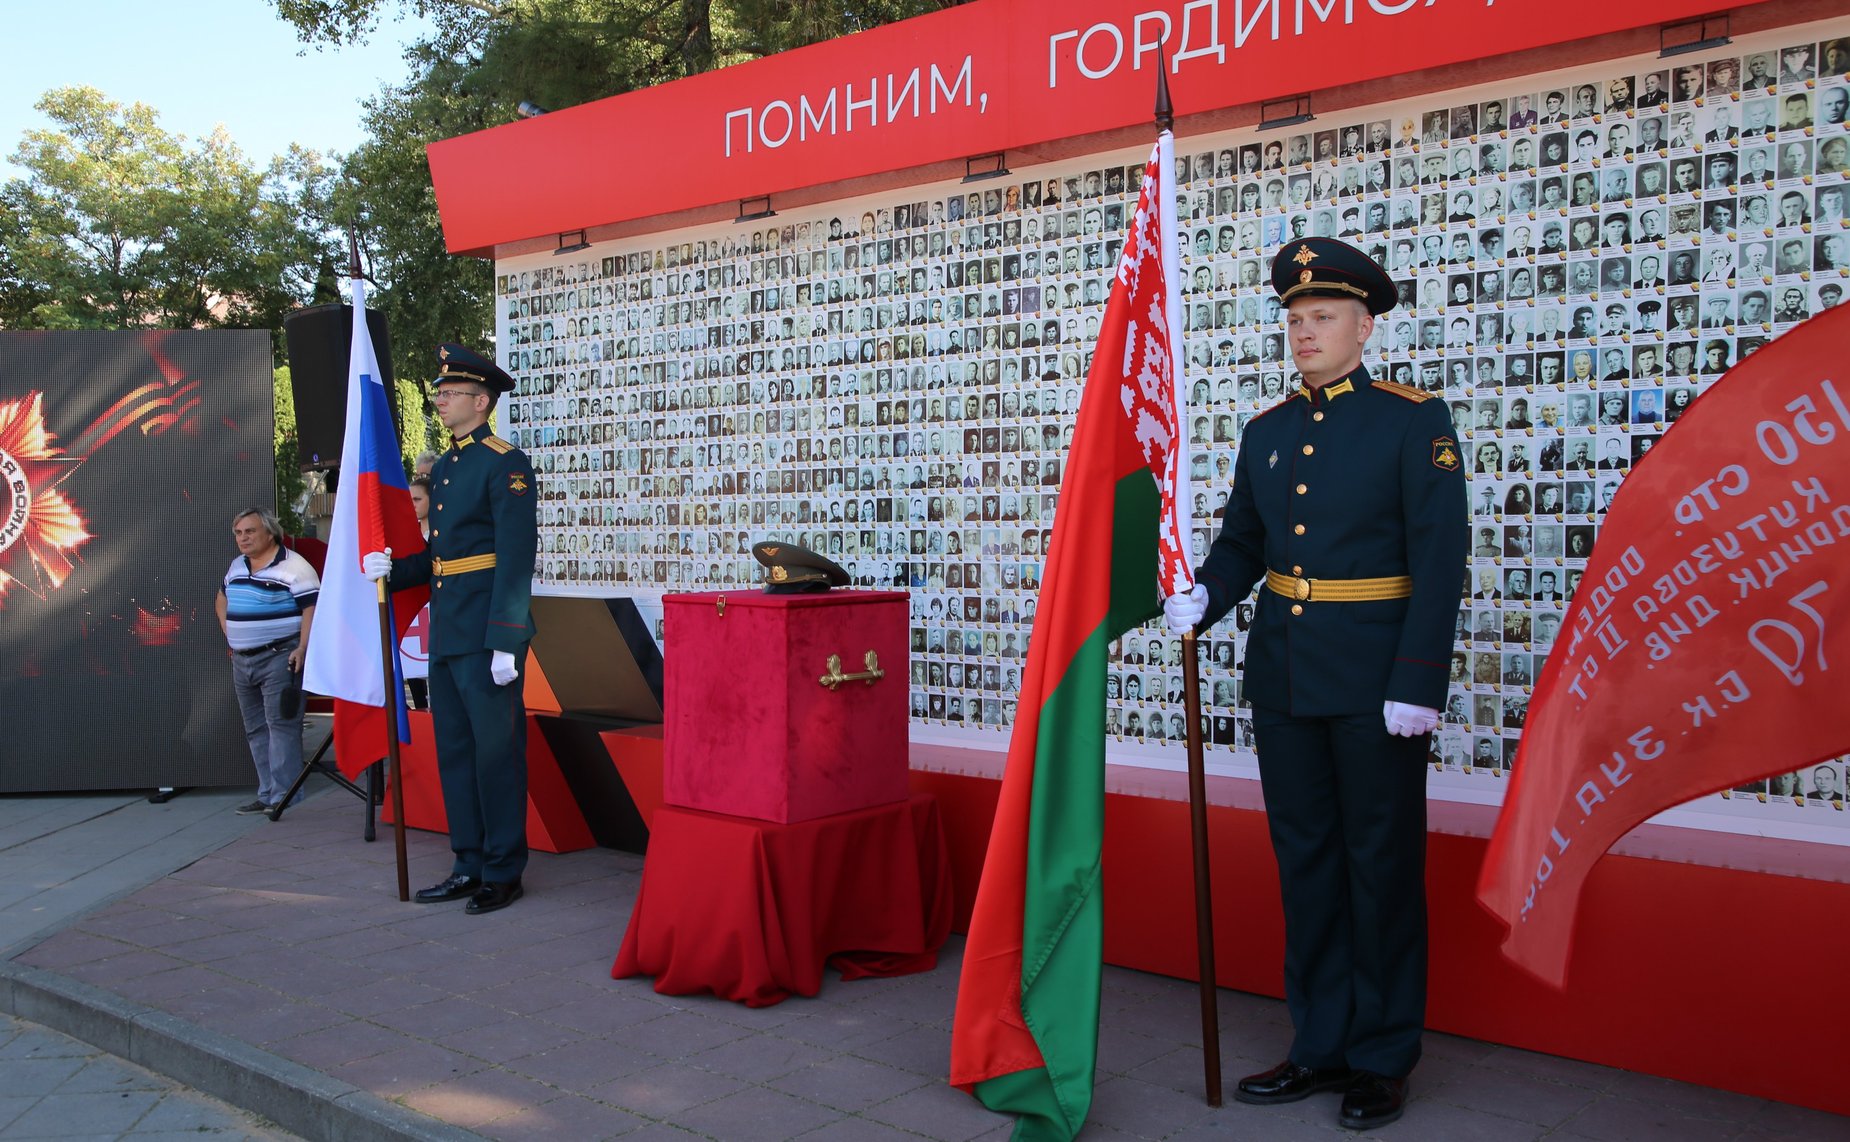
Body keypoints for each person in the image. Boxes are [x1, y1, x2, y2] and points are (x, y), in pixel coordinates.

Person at [1165, 237, 1467, 1131]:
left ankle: (1383, 1056)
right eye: (1295, 319)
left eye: (1323, 317)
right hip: (1287, 681)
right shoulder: (1267, 431)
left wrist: (1418, 679)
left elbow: (1440, 559)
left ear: (1364, 326)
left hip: (1378, 682)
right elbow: (1245, 546)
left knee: (1380, 868)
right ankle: (1321, 1044)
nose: (1305, 331)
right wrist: (1204, 596)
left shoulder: (1414, 421)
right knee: (1308, 865)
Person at [364, 345, 539, 916]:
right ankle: (467, 862)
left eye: (450, 392)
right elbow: (442, 556)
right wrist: (396, 566)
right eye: (439, 392)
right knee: (457, 755)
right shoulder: (442, 467)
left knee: (496, 755)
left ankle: (502, 870)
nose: (438, 399)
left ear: (481, 401)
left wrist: (507, 639)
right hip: (449, 631)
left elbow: (514, 558)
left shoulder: (504, 463)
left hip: (487, 634)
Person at [217, 508, 319, 816]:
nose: (243, 538)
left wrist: (303, 647)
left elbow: (312, 609)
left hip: (280, 655)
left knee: (282, 726)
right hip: (243, 660)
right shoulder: (237, 565)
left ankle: (285, 797)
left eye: (249, 531)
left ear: (270, 533)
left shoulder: (295, 567)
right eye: (238, 533)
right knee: (255, 728)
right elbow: (221, 599)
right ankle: (267, 793)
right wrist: (232, 636)